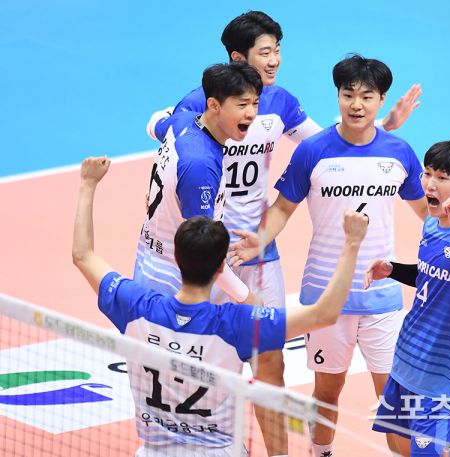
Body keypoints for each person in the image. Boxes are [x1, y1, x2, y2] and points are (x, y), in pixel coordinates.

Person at [146, 11, 422, 456]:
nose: (275, 60)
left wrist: (384, 129)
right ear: (239, 58)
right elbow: (162, 127)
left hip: (257, 252)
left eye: (277, 51)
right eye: (265, 52)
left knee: (270, 364)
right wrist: (166, 126)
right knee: (196, 362)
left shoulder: (280, 103)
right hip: (204, 251)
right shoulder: (200, 106)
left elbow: (331, 143)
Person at [71, 156, 369, 457]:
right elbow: (325, 313)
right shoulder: (237, 324)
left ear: (177, 258)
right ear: (220, 269)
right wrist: (352, 244)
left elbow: (83, 255)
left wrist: (87, 184)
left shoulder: (136, 306)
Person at [228, 54, 429, 457]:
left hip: (382, 297)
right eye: (348, 94)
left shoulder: (400, 152)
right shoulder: (313, 151)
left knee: (393, 399)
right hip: (324, 300)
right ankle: (321, 454)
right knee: (327, 391)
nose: (356, 104)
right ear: (337, 96)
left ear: (381, 100)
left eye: (367, 97)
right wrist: (259, 239)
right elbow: (283, 208)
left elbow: (427, 211)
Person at [364, 140, 450, 456]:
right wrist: (392, 269)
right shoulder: (431, 223)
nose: (429, 184)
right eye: (427, 173)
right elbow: (430, 276)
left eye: (442, 178)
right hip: (406, 360)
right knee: (398, 445)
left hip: (440, 379)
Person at [135, 61, 262, 305]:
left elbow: (154, 122)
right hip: (176, 283)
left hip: (149, 260)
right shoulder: (201, 166)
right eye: (242, 104)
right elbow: (203, 251)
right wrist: (246, 297)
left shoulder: (181, 122)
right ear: (213, 105)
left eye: (255, 103)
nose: (251, 114)